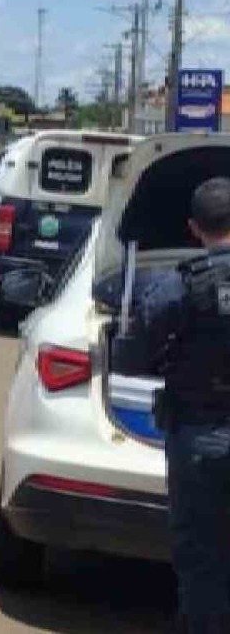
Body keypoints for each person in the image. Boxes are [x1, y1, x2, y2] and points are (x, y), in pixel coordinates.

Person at [119, 177, 230, 633]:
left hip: (198, 438)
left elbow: (131, 356)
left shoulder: (178, 286)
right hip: (198, 434)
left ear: (193, 228)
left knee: (202, 555)